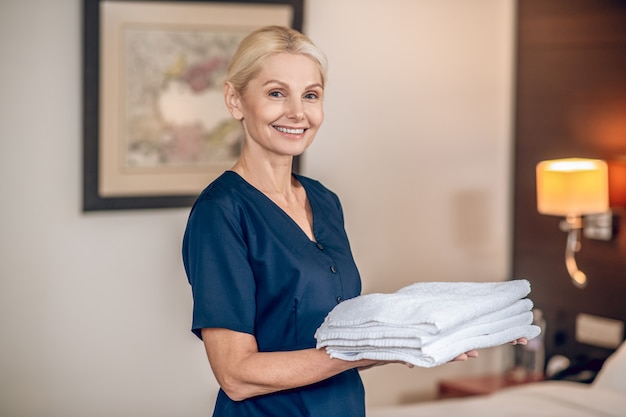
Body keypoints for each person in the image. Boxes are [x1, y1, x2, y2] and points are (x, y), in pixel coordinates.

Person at [182, 25, 522, 417]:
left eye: (311, 95)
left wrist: (410, 341)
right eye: (277, 93)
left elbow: (342, 337)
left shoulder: (324, 201)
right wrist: (370, 348)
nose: (297, 112)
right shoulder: (221, 212)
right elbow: (236, 376)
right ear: (235, 99)